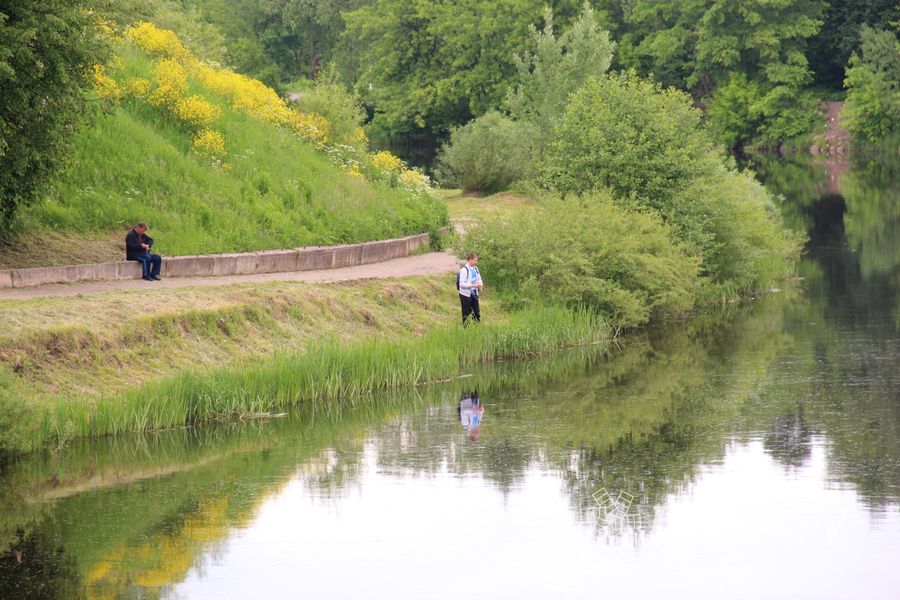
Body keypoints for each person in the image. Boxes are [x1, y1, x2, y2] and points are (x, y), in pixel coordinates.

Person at [458, 252, 483, 326]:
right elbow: (461, 284)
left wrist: (480, 284)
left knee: (476, 312)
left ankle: (477, 327)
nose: (476, 262)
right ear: (470, 260)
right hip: (465, 295)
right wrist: (473, 285)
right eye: (475, 260)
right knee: (466, 313)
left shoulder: (475, 269)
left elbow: (479, 278)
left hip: (474, 293)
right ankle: (466, 328)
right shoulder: (464, 270)